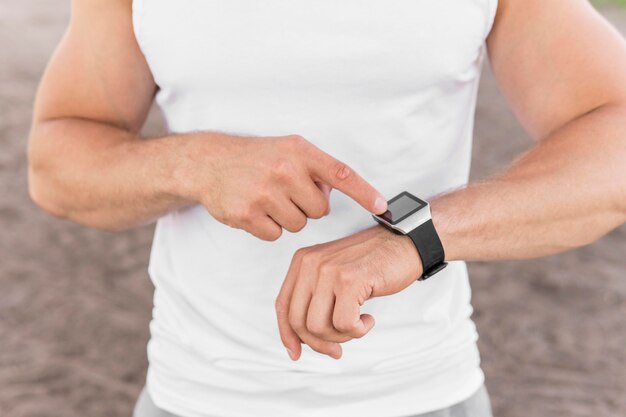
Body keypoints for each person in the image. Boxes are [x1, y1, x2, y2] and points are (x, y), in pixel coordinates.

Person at [27, 0, 626, 416]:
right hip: (195, 397)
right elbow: (56, 163)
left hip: (422, 394)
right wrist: (195, 164)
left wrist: (416, 239)